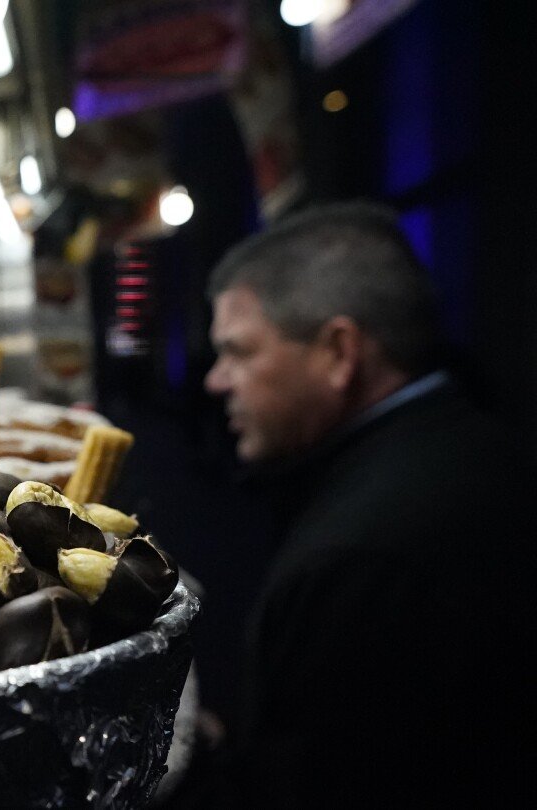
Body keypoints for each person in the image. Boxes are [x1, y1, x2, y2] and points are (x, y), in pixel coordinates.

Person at [202, 202, 532, 807]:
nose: (216, 380)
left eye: (239, 352)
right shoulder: (494, 447)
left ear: (339, 353)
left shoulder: (352, 563)